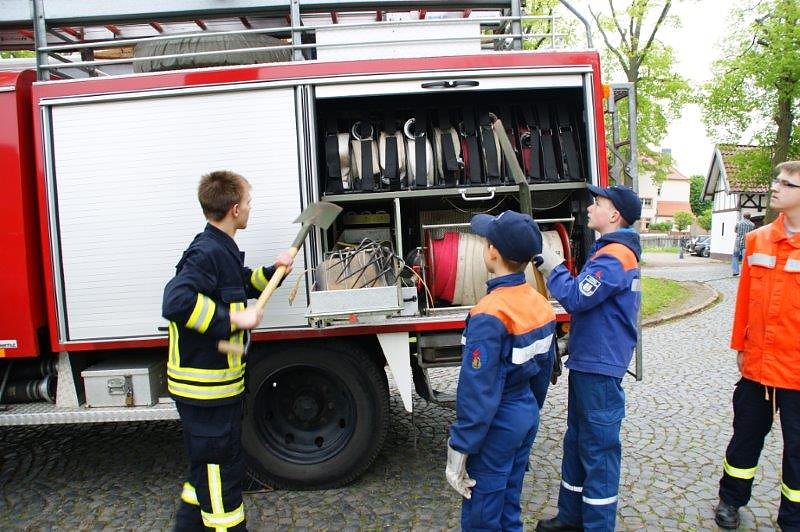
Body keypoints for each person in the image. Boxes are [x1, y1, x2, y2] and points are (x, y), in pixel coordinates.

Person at [162, 170, 293, 531]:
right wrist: (234, 320)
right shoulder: (207, 252)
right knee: (222, 470)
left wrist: (274, 272)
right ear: (235, 209)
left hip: (215, 387)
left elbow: (240, 284)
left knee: (204, 469)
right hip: (205, 389)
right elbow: (175, 302)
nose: (251, 208)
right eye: (249, 202)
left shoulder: (221, 247)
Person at [535, 185, 642, 532]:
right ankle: (571, 518)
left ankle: (596, 526)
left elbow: (578, 298)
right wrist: (570, 345)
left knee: (598, 451)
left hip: (599, 371)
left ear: (614, 215)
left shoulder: (616, 257)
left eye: (598, 203)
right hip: (588, 364)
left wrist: (552, 266)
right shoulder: (607, 252)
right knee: (577, 442)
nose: (590, 208)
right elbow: (598, 314)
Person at [445, 210, 557, 532]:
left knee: (483, 513)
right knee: (509, 502)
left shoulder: (489, 313)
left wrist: (460, 448)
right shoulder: (541, 304)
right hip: (525, 413)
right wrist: (529, 411)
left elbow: (478, 391)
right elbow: (542, 373)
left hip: (498, 421)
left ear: (492, 251)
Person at [714, 161, 800, 530]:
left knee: (797, 452)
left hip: (797, 371)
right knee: (745, 439)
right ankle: (730, 501)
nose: (775, 187)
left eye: (786, 183)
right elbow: (745, 299)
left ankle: (792, 517)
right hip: (758, 368)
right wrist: (741, 347)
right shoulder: (757, 239)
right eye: (776, 180)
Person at [731, 212, 755, 276]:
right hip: (747, 242)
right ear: (749, 217)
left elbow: (735, 230)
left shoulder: (739, 223)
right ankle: (744, 272)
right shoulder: (752, 224)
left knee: (735, 256)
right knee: (745, 258)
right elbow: (752, 233)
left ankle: (735, 271)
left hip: (738, 242)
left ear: (743, 216)